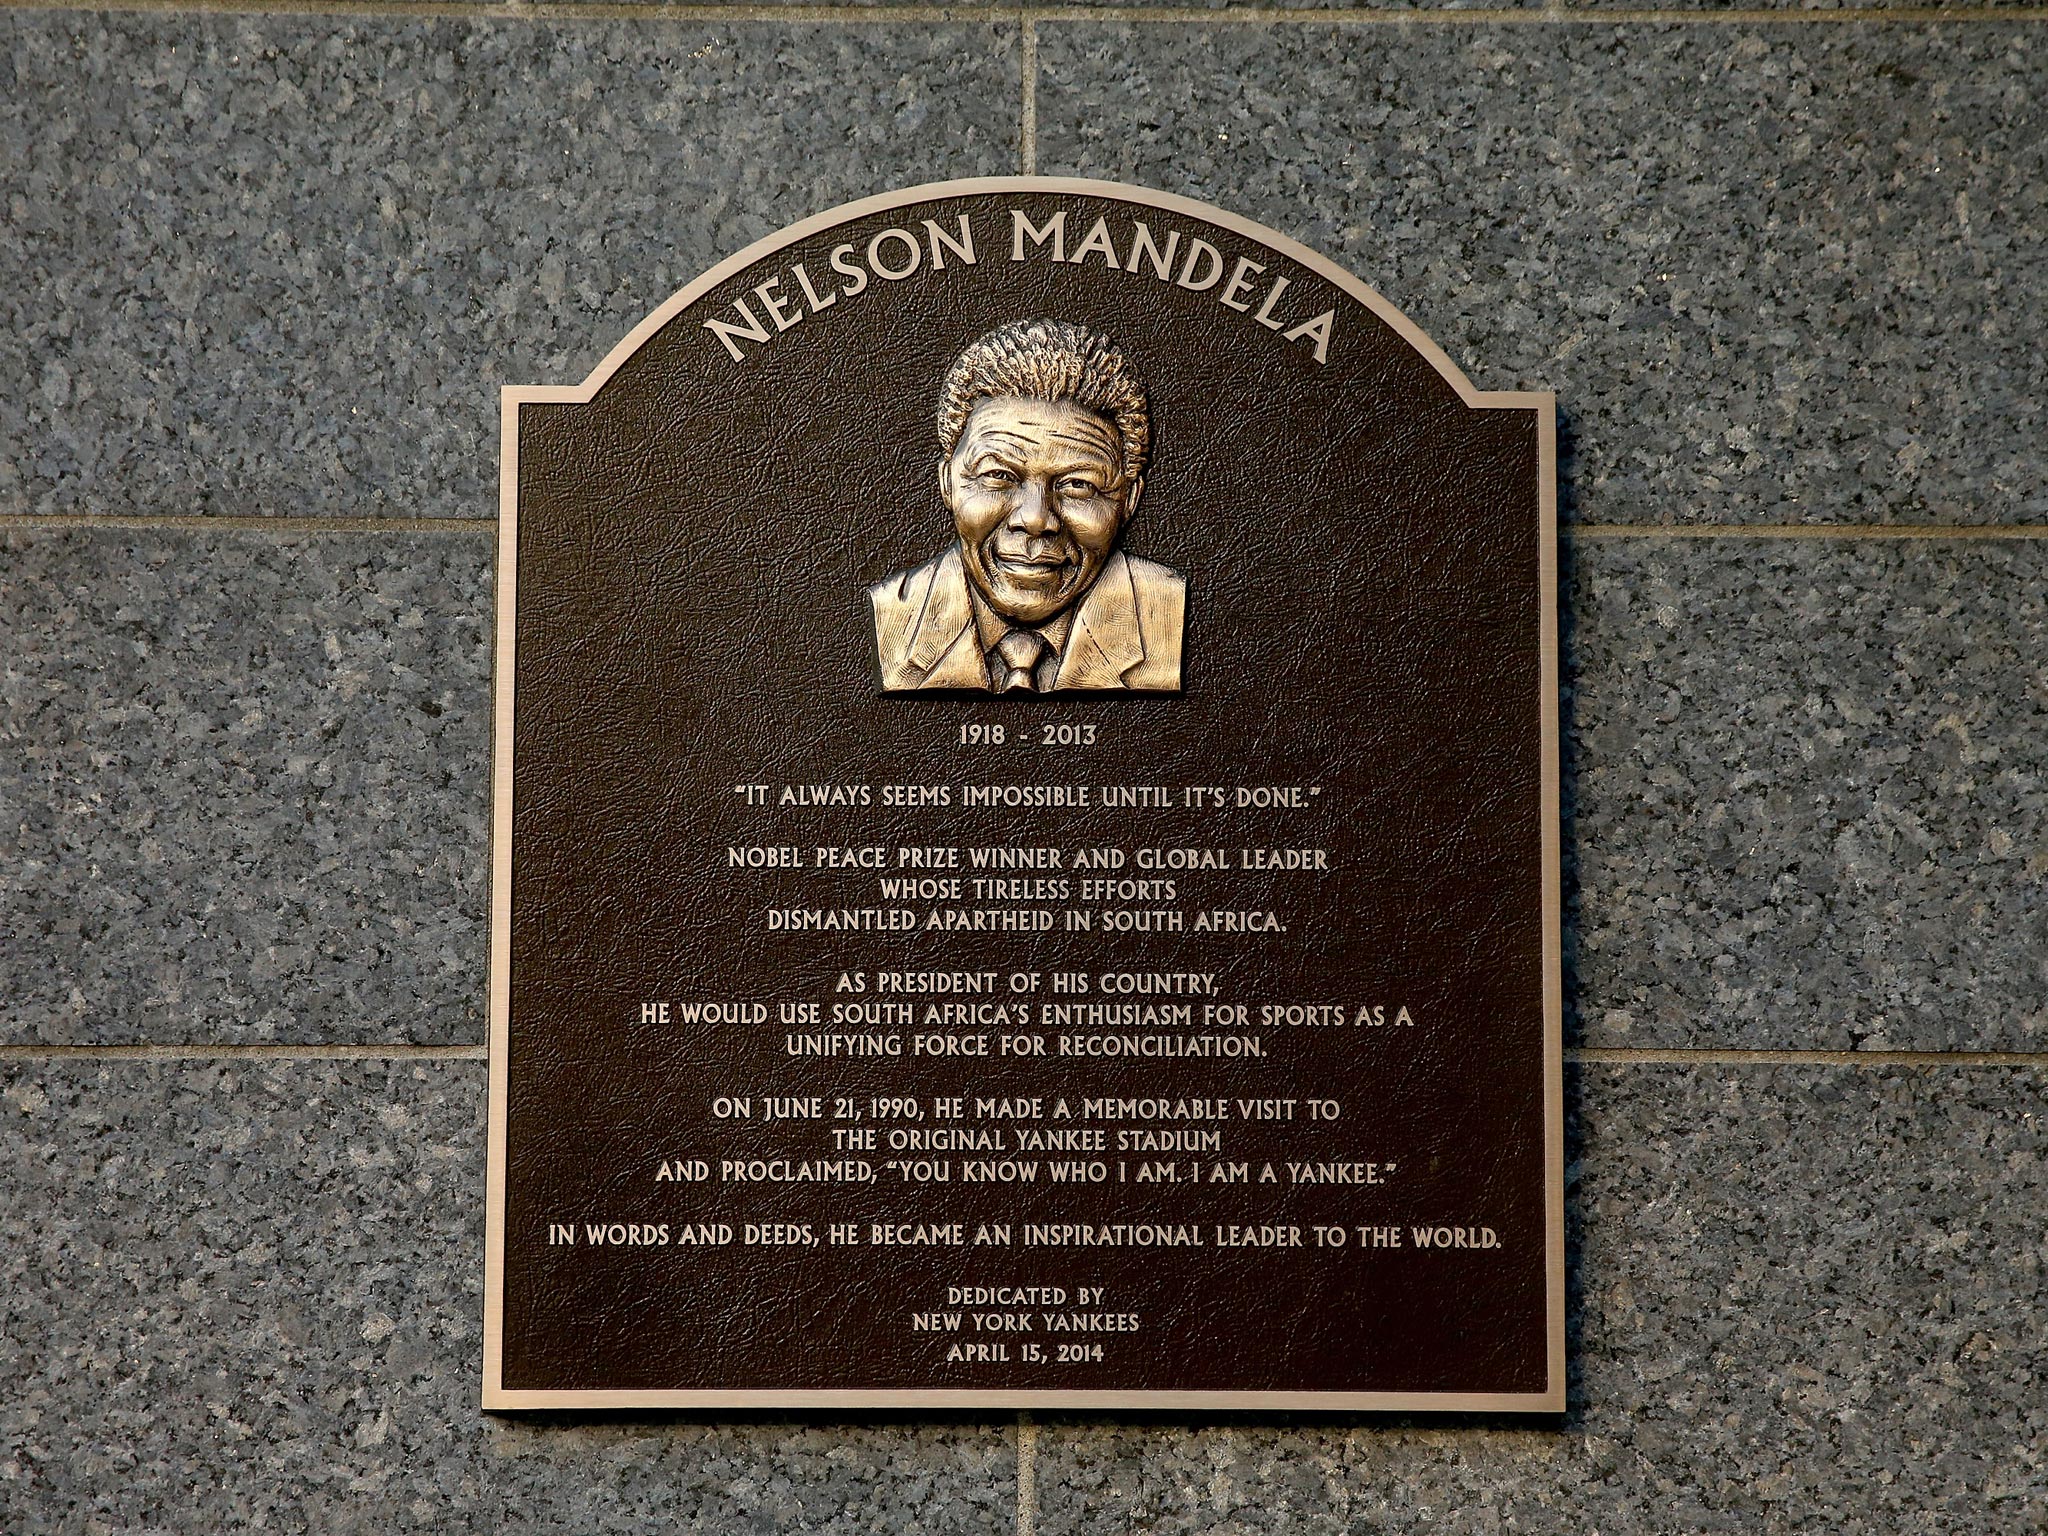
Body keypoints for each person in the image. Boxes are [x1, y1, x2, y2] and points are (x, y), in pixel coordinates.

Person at [870, 318, 1185, 693]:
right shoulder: (892, 615)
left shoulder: (1165, 613)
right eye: (998, 476)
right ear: (948, 483)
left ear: (1128, 500)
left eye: (1079, 485)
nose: (1035, 518)